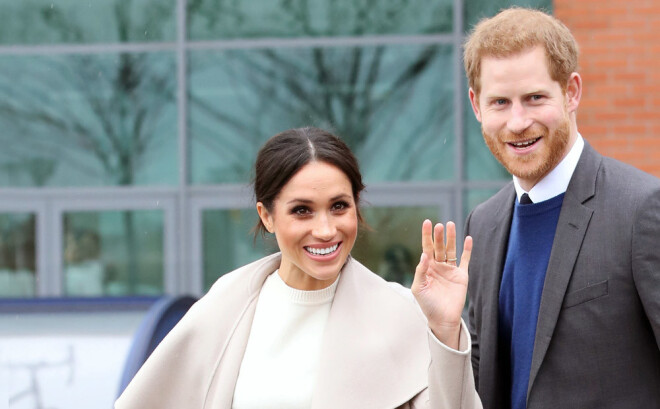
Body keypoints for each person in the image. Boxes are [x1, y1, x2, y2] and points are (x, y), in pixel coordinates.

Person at [115, 127, 482, 408]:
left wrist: (446, 329)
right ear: (267, 216)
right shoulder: (225, 305)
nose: (325, 230)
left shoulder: (403, 313)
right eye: (301, 210)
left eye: (339, 206)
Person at [460, 7, 660, 409]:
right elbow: (481, 381)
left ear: (571, 92)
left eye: (535, 98)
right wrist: (446, 331)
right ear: (476, 105)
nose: (518, 122)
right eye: (500, 102)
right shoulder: (482, 225)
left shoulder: (641, 209)